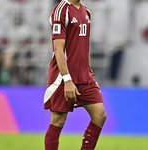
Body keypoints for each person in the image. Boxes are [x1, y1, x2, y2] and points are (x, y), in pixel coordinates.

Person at [44, 0, 107, 150]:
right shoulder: (61, 10)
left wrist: (88, 70)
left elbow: (84, 46)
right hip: (63, 77)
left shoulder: (86, 11)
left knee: (100, 115)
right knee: (58, 120)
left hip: (85, 76)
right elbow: (58, 49)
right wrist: (67, 80)